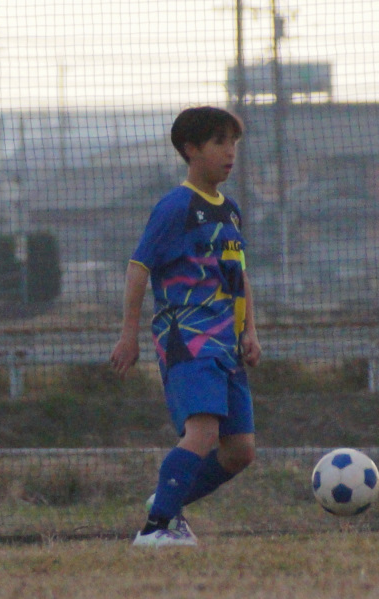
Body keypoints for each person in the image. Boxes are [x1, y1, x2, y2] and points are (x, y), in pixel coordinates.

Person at [110, 106, 261, 548]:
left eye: (234, 143)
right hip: (189, 340)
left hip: (226, 345)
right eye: (219, 142)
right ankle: (157, 527)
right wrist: (128, 334)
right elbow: (138, 267)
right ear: (191, 150)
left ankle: (167, 501)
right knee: (204, 432)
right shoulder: (175, 207)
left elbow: (239, 275)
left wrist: (250, 331)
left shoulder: (230, 211)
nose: (230, 152)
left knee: (240, 451)